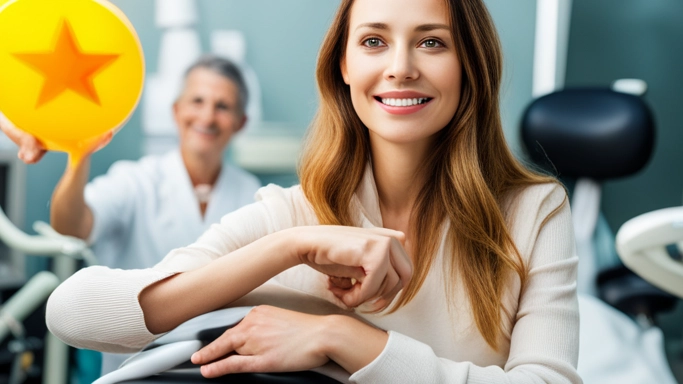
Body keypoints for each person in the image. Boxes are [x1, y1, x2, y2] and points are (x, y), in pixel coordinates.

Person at [46, 0, 581, 382]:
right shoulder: (292, 215)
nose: (400, 67)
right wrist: (289, 248)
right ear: (344, 66)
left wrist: (344, 339)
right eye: (374, 41)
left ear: (470, 64)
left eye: (431, 42)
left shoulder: (533, 211)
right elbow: (70, 311)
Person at [1, 55, 262, 374]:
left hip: (222, 364)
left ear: (240, 122)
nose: (207, 116)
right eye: (197, 101)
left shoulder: (251, 193)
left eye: (222, 106)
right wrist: (79, 156)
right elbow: (70, 226)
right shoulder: (135, 181)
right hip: (134, 366)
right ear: (176, 111)